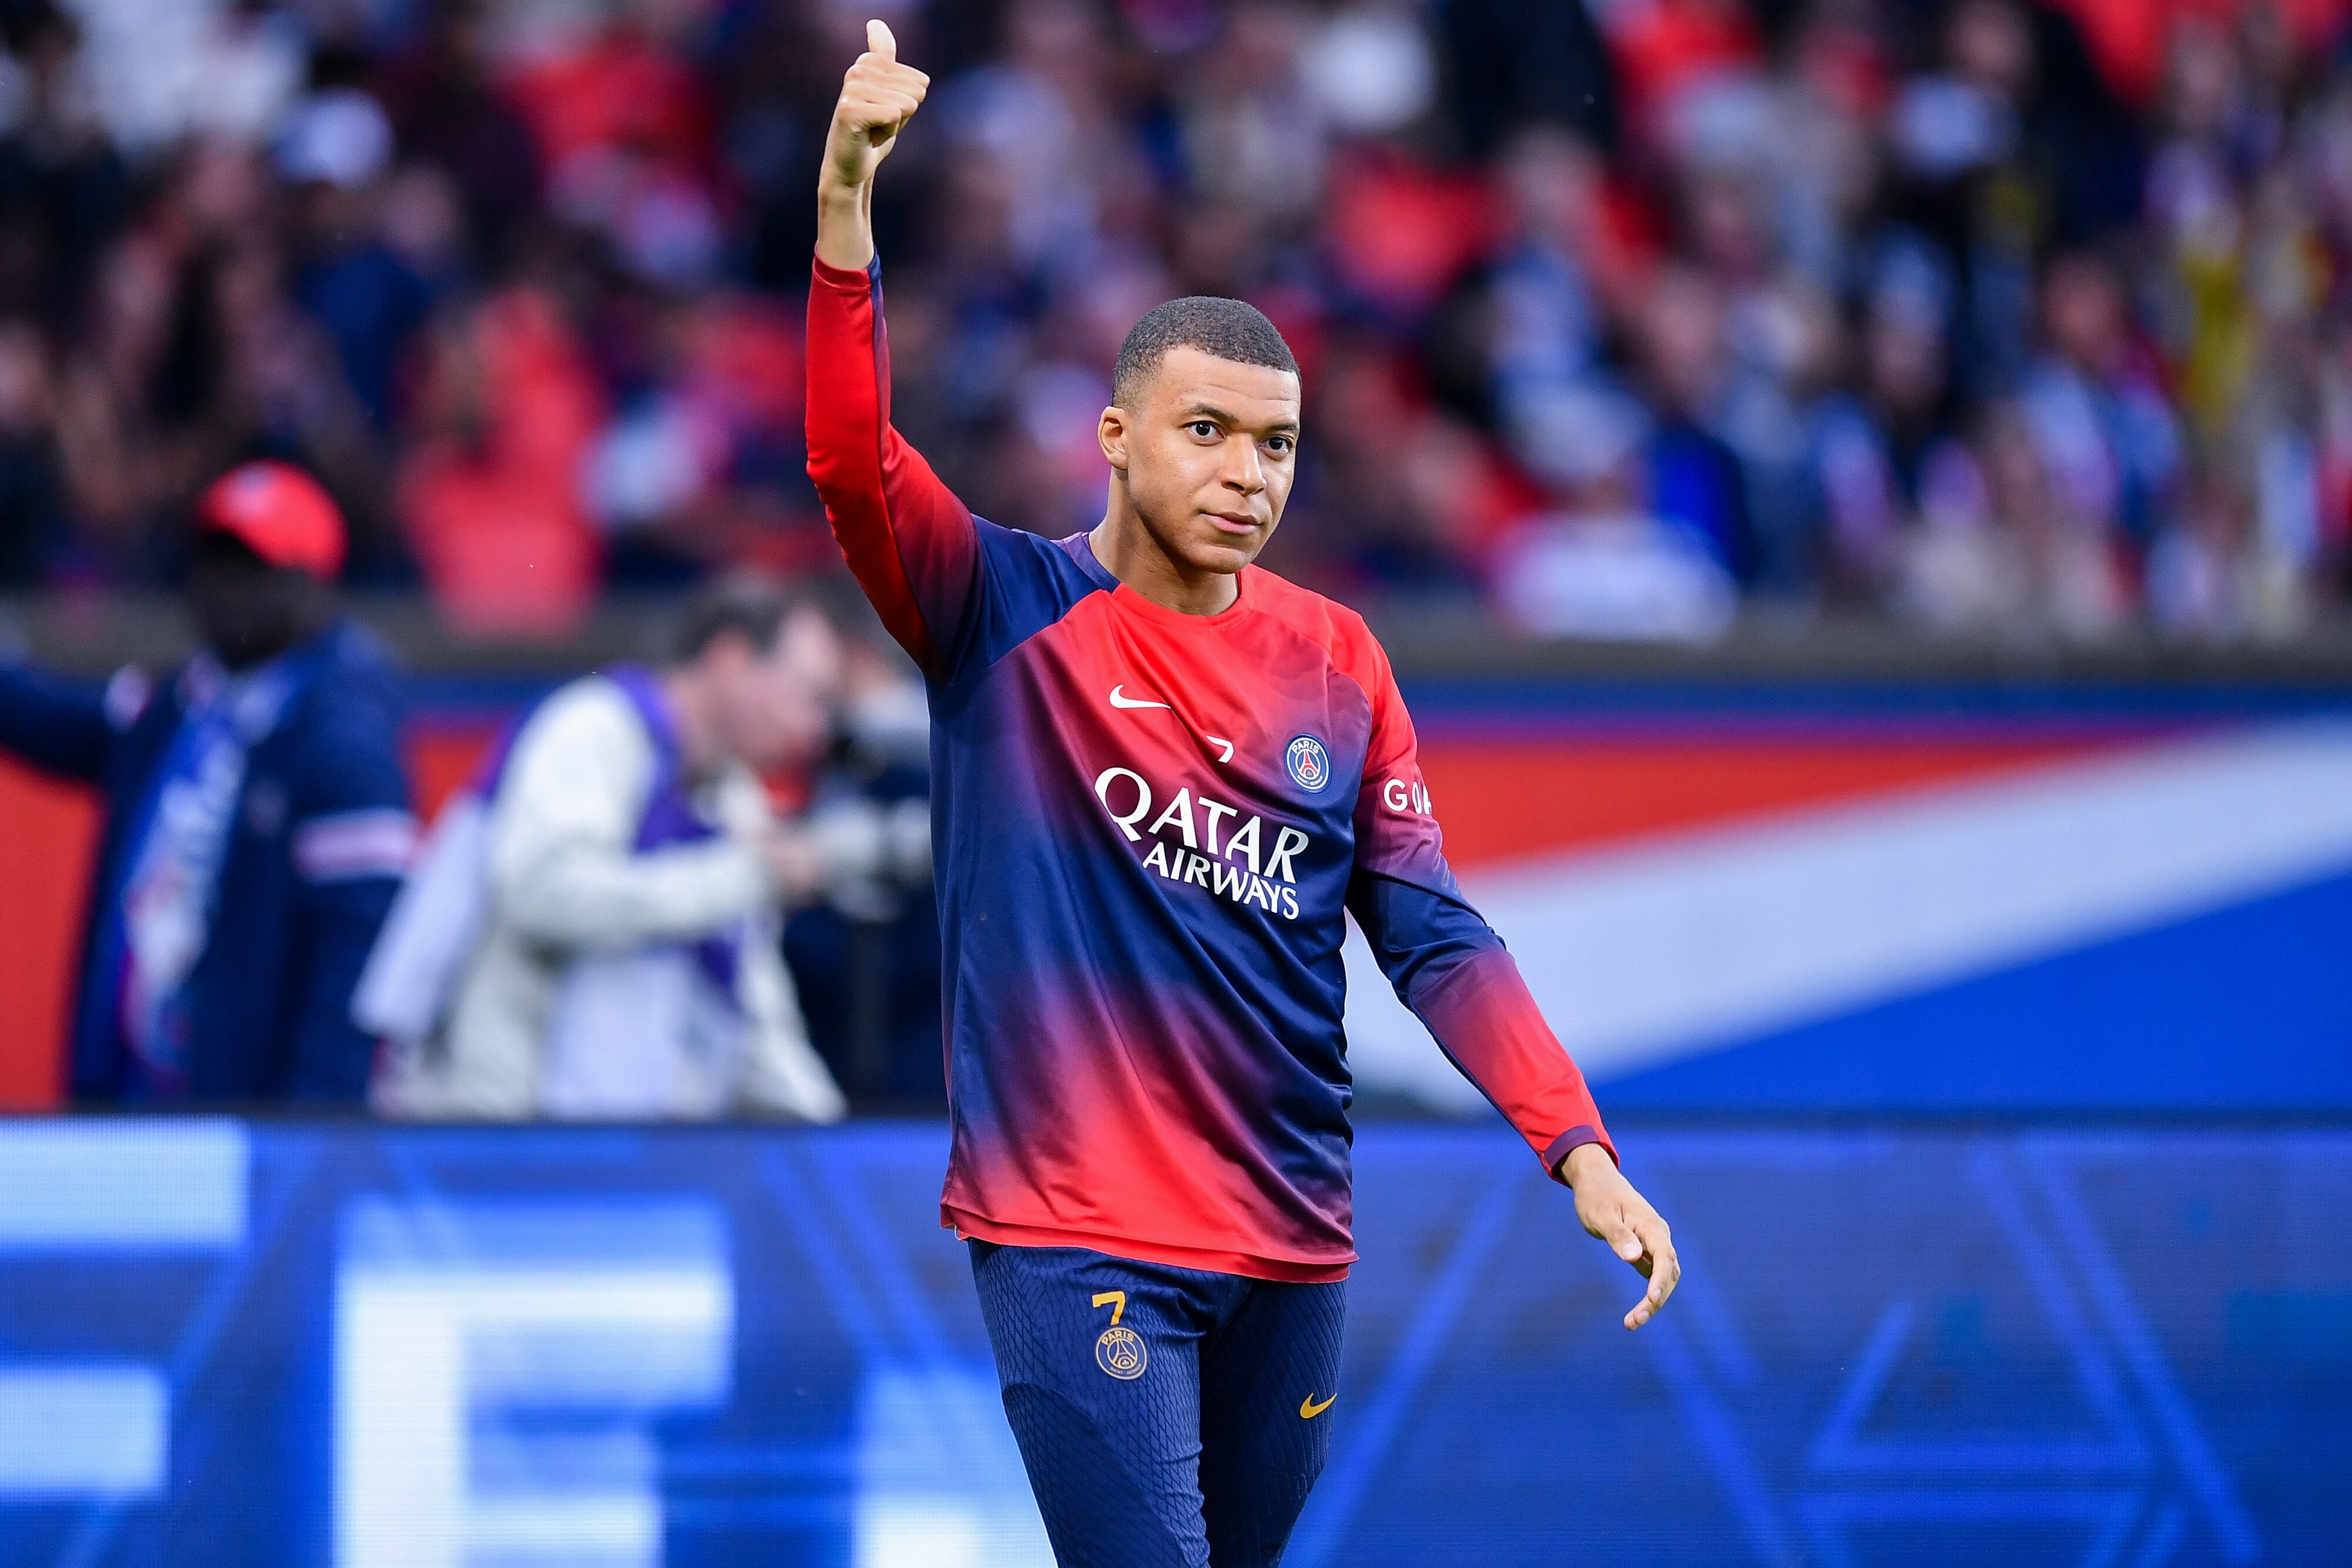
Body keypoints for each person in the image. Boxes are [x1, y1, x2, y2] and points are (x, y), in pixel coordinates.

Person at [804, 24, 1679, 1567]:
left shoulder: (1337, 660)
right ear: (1117, 435)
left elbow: (1436, 938)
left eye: (1274, 443)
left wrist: (1578, 1144)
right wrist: (847, 210)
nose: (1246, 474)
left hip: (1292, 1237)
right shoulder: (1000, 610)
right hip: (1076, 1228)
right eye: (1206, 431)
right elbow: (850, 463)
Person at [0, 460, 413, 1104]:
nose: (222, 586)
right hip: (126, 1101)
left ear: (309, 584)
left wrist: (306, 1144)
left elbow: (357, 974)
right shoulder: (182, 706)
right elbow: (51, 720)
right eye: (212, 560)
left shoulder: (342, 740)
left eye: (249, 566)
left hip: (240, 1133)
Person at [365, 577, 848, 1123]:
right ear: (731, 657)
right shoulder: (591, 727)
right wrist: (747, 876)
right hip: (499, 1142)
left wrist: (829, 1140)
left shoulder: (735, 800)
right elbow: (544, 896)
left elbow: (754, 1008)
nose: (815, 729)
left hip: (627, 1158)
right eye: (808, 695)